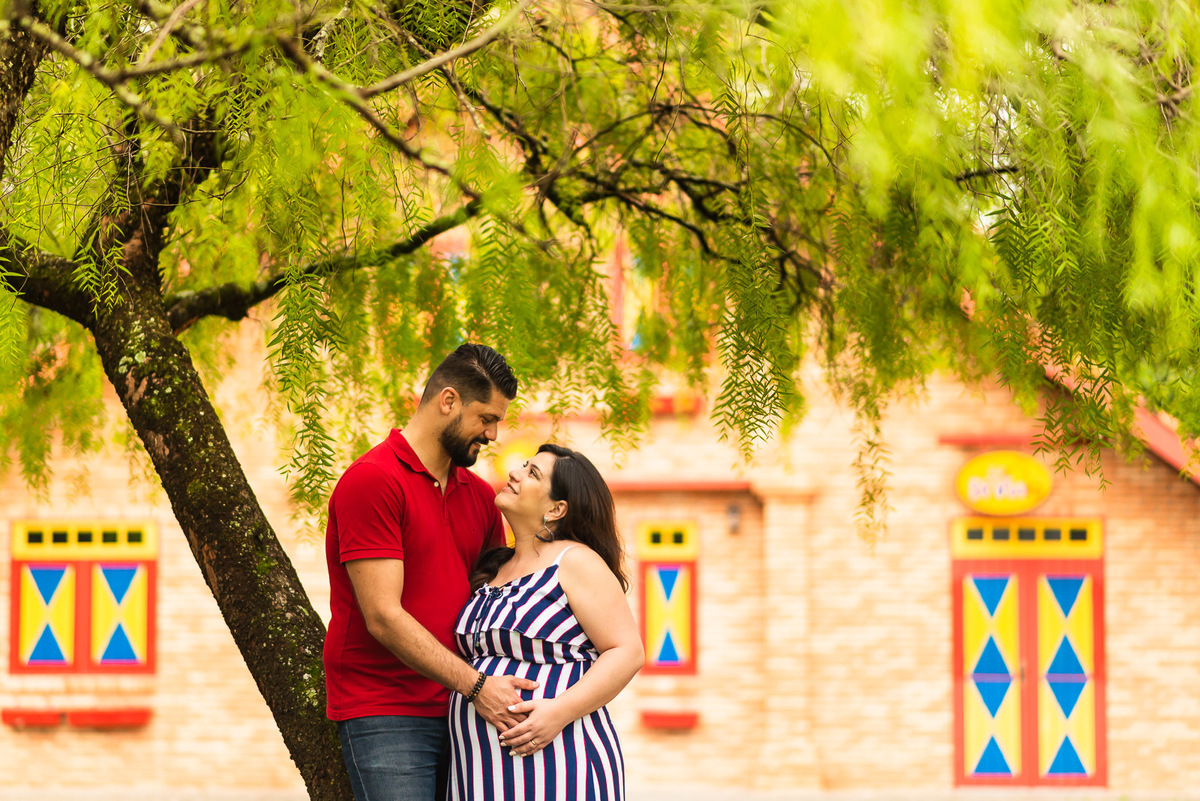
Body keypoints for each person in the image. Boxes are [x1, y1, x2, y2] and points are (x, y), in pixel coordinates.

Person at [323, 343, 539, 801]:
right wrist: (477, 686)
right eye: (486, 418)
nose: (493, 434)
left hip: (465, 714)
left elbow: (495, 606)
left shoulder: (481, 497)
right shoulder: (373, 480)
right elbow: (383, 616)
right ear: (448, 401)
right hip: (387, 711)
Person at [448, 444, 645, 800]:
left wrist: (558, 712)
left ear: (556, 509)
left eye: (532, 473)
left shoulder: (575, 561)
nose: (515, 472)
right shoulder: (494, 569)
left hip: (560, 765)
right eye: (524, 465)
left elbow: (626, 651)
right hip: (478, 772)